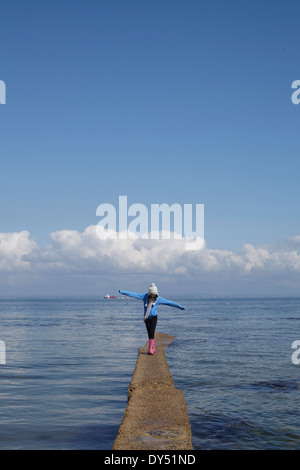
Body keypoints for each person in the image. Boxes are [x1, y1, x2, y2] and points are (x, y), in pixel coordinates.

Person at [119, 283, 185, 355]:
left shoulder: (158, 299)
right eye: (151, 294)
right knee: (149, 333)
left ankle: (150, 349)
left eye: (154, 294)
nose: (153, 296)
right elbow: (134, 294)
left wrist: (179, 306)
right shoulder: (144, 296)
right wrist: (123, 292)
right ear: (149, 293)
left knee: (152, 332)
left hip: (154, 318)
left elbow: (169, 303)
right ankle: (152, 347)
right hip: (147, 318)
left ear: (156, 294)